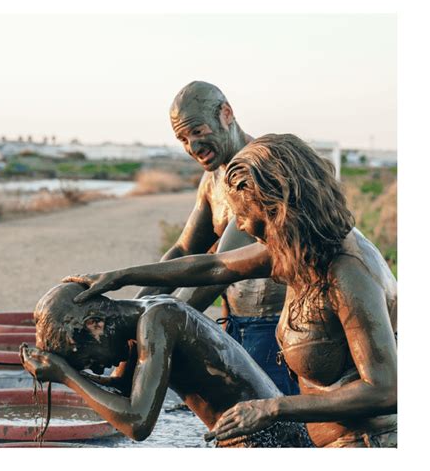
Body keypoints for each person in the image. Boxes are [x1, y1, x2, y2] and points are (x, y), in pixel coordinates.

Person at [64, 134, 397, 448]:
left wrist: (274, 408)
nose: (241, 227)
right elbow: (214, 266)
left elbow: (384, 389)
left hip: (370, 444)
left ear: (279, 209)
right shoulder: (302, 246)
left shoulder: (348, 271)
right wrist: (120, 276)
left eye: (247, 216)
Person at [134, 81, 297, 395]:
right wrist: (135, 308)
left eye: (197, 131)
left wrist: (159, 325)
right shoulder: (213, 179)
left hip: (279, 328)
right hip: (236, 324)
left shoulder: (261, 168)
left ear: (226, 114)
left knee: (275, 428)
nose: (192, 147)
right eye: (182, 139)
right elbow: (183, 249)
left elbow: (219, 269)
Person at [20, 282, 312, 448]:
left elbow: (137, 423)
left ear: (95, 326)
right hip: (247, 439)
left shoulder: (158, 319)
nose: (96, 370)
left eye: (87, 360)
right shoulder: (136, 319)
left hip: (267, 441)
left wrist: (67, 375)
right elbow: (123, 392)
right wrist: (62, 371)